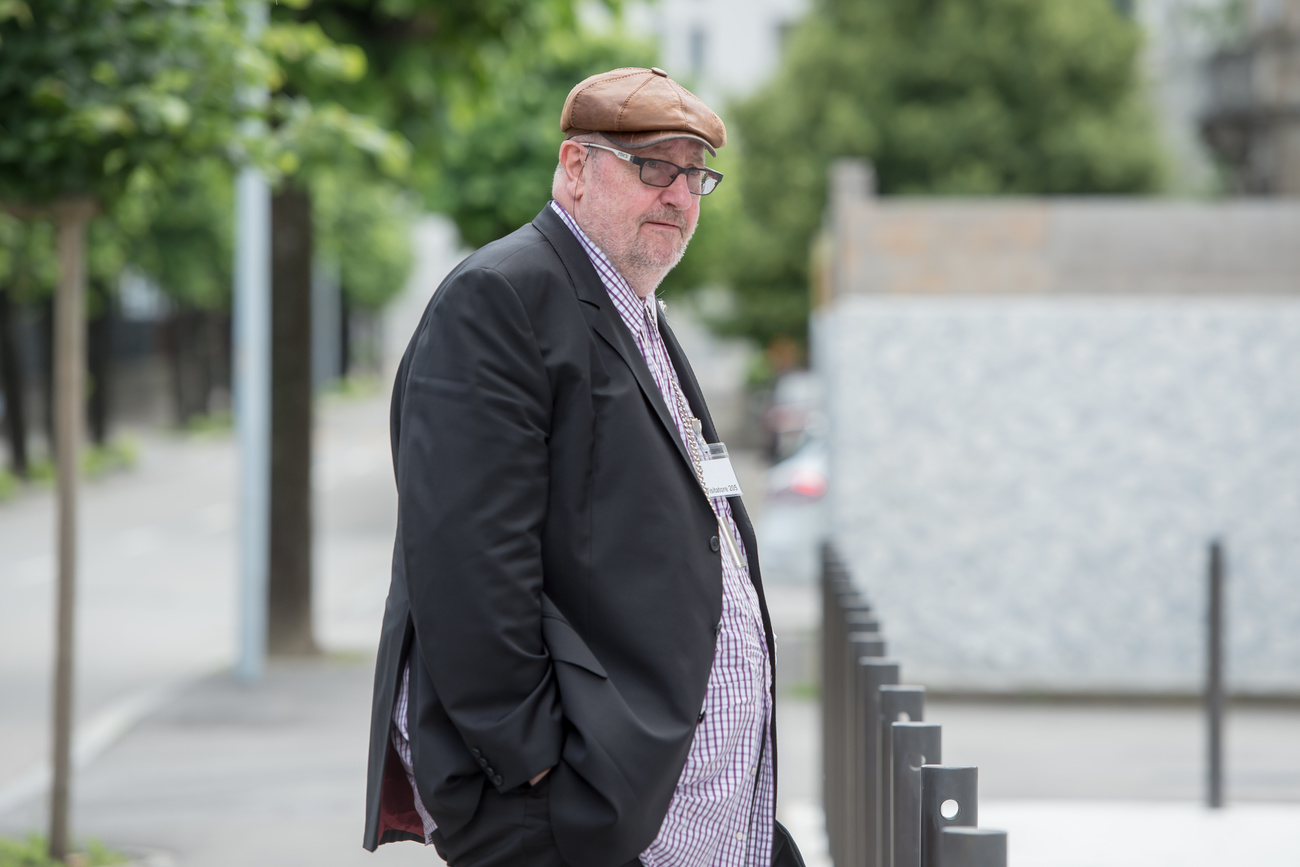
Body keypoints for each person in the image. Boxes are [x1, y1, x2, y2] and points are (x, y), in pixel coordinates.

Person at [363, 67, 802, 867]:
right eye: (652, 168)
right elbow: (467, 565)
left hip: (659, 805)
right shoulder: (503, 297)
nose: (678, 194)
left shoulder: (635, 308)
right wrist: (539, 767)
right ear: (573, 166)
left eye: (695, 174)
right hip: (567, 815)